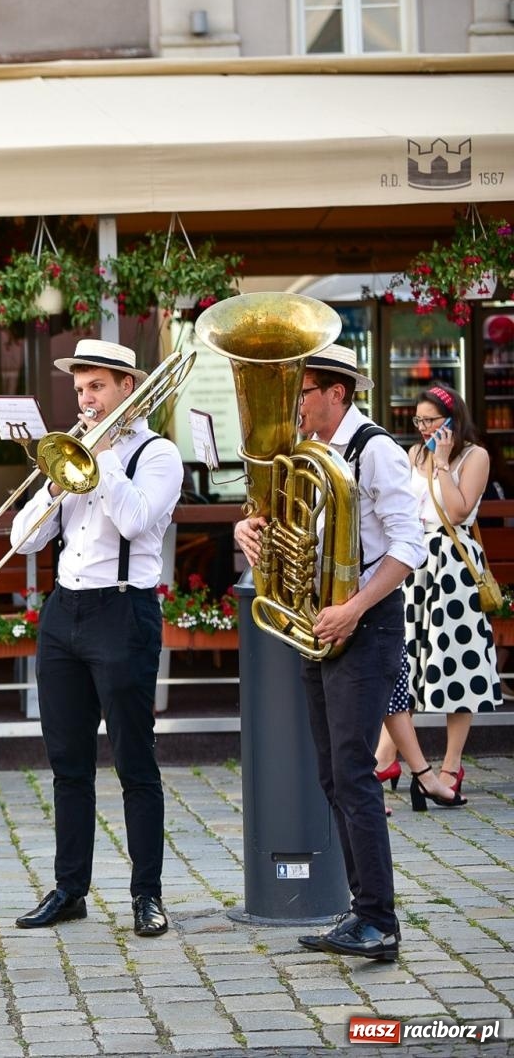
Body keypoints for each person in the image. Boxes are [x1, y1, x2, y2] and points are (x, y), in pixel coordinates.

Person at [235, 344, 424, 962]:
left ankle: (379, 920)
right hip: (321, 618)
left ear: (337, 392)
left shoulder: (378, 451)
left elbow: (409, 547)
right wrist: (251, 531)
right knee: (332, 774)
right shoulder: (307, 454)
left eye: (304, 390)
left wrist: (355, 606)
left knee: (353, 772)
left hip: (361, 623)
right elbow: (286, 527)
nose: (295, 403)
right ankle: (361, 908)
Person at [9, 340, 183, 939]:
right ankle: (70, 888)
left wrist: (102, 460)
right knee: (68, 763)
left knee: (136, 762)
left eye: (97, 388)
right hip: (64, 613)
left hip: (123, 612)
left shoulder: (159, 456)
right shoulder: (70, 453)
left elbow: (137, 522)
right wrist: (56, 485)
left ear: (128, 388)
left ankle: (147, 895)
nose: (86, 399)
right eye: (80, 389)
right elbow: (22, 539)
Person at [374, 383, 500, 808]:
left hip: (454, 566)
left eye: (432, 420)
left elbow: (459, 509)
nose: (424, 428)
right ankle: (387, 757)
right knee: (400, 663)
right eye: (419, 421)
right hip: (415, 564)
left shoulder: (474, 456)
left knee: (456, 665)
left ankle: (450, 765)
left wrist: (444, 462)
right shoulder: (413, 455)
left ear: (452, 421)